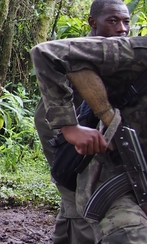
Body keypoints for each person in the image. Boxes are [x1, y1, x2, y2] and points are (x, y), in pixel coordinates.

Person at [31, 35, 147, 243]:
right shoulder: (133, 52)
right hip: (115, 179)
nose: (121, 28)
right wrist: (70, 126)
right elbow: (47, 53)